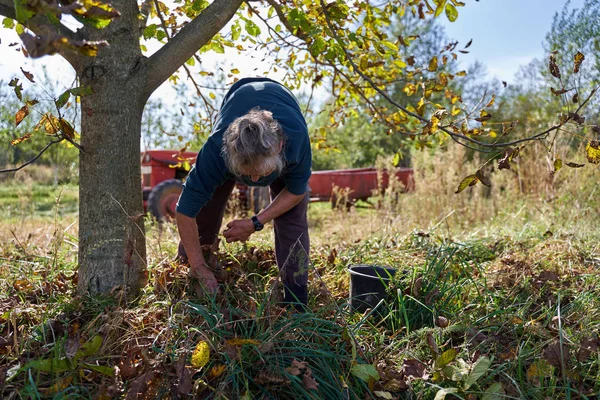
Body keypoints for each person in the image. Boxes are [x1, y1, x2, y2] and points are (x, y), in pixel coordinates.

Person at [175, 77, 311, 309]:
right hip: (235, 101)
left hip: (283, 102)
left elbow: (295, 193)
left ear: (279, 148)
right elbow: (185, 210)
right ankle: (188, 278)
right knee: (205, 211)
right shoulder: (216, 150)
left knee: (292, 220)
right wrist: (198, 266)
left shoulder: (296, 140)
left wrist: (255, 222)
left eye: (262, 172)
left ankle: (295, 300)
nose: (255, 181)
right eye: (246, 174)